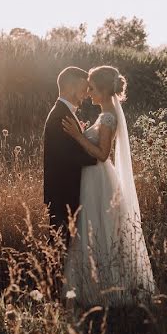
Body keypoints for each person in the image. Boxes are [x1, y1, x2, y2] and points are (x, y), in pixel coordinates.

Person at [59, 65, 155, 307]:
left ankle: (103, 290)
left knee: (97, 230)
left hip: (98, 178)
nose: (88, 93)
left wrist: (79, 137)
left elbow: (102, 154)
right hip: (93, 177)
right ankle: (95, 286)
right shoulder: (105, 113)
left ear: (102, 89)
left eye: (91, 88)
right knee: (94, 229)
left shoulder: (109, 115)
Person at [42, 66, 96, 247]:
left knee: (65, 245)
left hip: (65, 191)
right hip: (62, 194)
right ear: (72, 86)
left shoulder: (64, 112)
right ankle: (48, 276)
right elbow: (68, 157)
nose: (87, 93)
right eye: (84, 88)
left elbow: (67, 147)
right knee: (59, 245)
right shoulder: (60, 116)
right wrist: (96, 156)